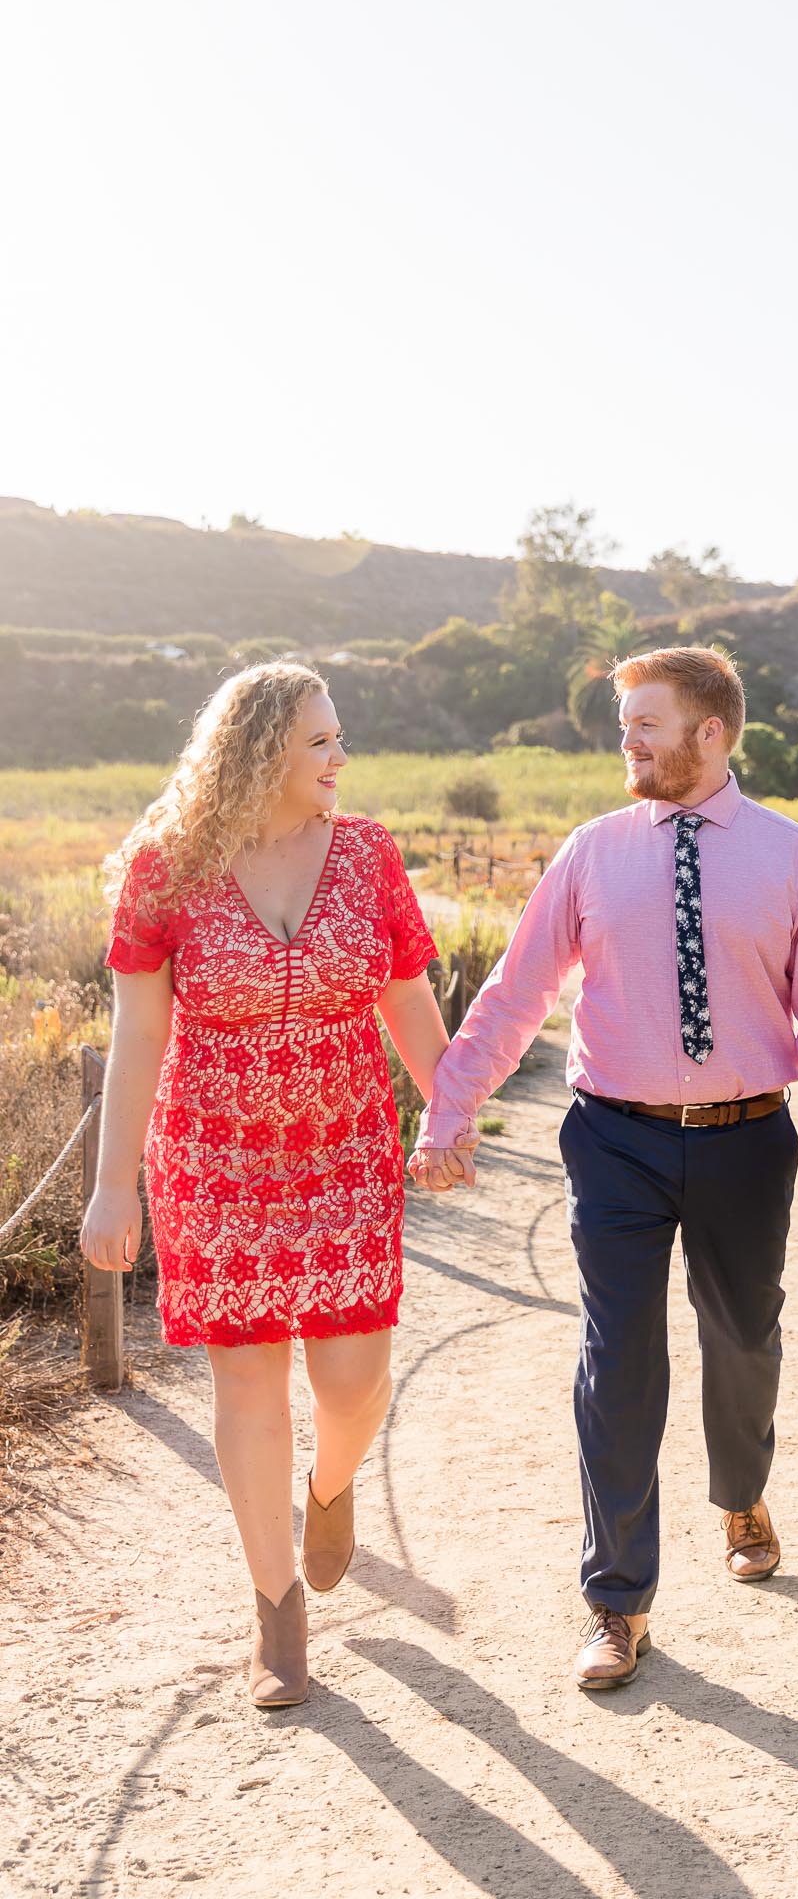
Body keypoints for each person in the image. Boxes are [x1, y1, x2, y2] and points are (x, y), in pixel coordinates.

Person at [410, 646, 798, 1689]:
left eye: (644, 722)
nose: (626, 740)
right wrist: (450, 1109)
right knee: (616, 1359)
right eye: (623, 722)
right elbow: (516, 993)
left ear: (711, 733)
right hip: (613, 1136)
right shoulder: (591, 851)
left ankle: (741, 1489)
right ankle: (616, 1598)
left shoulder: (795, 858)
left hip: (749, 1136)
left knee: (742, 1334)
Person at [81, 661, 449, 1708]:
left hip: (345, 1151)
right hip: (214, 1159)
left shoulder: (369, 854)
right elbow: (138, 1033)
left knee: (351, 1379)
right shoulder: (165, 867)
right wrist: (116, 1188)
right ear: (260, 756)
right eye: (321, 743)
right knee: (247, 1382)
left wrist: (452, 1110)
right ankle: (275, 1609)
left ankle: (329, 1486)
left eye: (338, 738)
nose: (341, 757)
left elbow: (409, 1001)